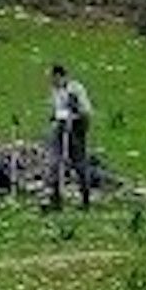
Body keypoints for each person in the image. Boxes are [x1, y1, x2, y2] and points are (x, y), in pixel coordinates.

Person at [45, 63, 95, 210]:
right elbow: (56, 109)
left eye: (54, 77)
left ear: (60, 76)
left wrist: (74, 112)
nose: (52, 81)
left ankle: (85, 197)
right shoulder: (55, 90)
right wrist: (54, 116)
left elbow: (86, 110)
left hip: (77, 126)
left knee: (78, 161)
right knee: (55, 161)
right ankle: (56, 196)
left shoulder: (75, 88)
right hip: (61, 126)